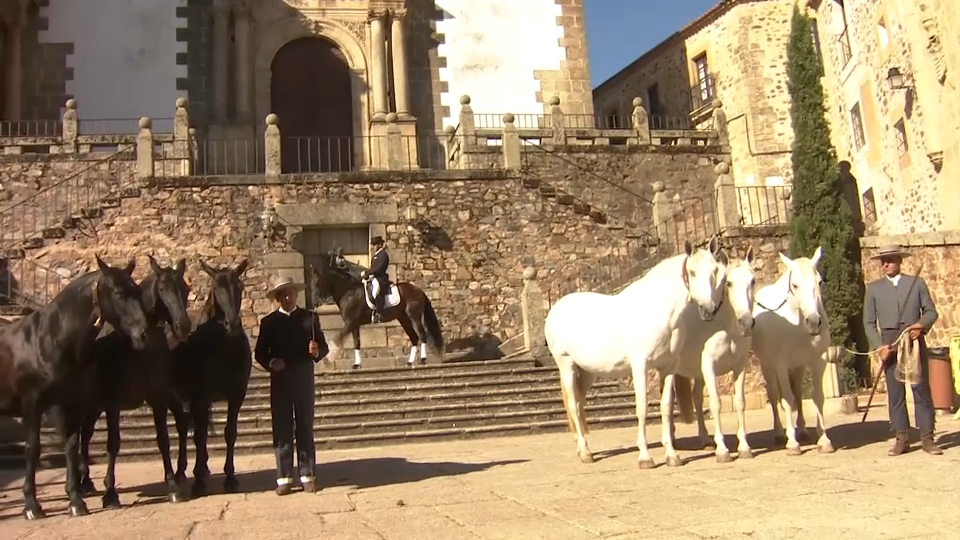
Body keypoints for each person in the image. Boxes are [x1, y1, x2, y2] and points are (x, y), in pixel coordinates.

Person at [862, 244, 943, 456]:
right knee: (895, 392)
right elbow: (869, 323)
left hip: (913, 340)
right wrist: (878, 346)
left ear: (899, 260)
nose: (886, 264)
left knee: (920, 389)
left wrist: (920, 326)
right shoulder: (874, 288)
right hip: (889, 342)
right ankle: (902, 438)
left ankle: (927, 438)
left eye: (890, 259)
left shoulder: (916, 283)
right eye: (883, 261)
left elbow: (931, 312)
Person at [254, 276, 329, 495]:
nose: (287, 297)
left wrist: (317, 352)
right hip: (281, 382)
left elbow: (323, 347)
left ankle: (307, 475)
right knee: (282, 429)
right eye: (283, 294)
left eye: (291, 293)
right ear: (278, 299)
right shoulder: (268, 323)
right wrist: (271, 362)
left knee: (305, 426)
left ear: (297, 294)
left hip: (304, 379)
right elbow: (260, 353)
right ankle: (284, 477)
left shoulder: (310, 319)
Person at [360, 235, 390, 324]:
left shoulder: (383, 255)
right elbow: (372, 268)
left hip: (381, 279)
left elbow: (379, 268)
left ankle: (379, 313)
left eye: (375, 244)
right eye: (373, 245)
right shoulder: (375, 256)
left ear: (380, 245)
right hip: (374, 278)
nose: (373, 247)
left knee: (375, 291)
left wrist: (367, 273)